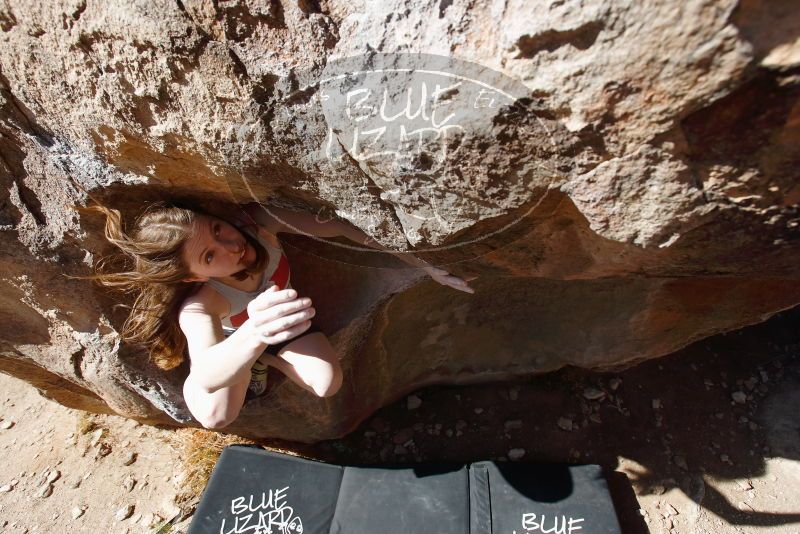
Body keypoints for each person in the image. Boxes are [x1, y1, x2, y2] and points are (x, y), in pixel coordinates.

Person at [86, 200, 475, 429]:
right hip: (237, 343)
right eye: (210, 256)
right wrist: (254, 334)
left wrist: (420, 263)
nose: (230, 247)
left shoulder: (259, 223)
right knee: (215, 414)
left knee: (325, 383)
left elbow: (344, 228)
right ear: (194, 274)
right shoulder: (202, 304)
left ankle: (268, 357)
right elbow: (207, 371)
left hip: (280, 325)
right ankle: (257, 358)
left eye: (218, 230)